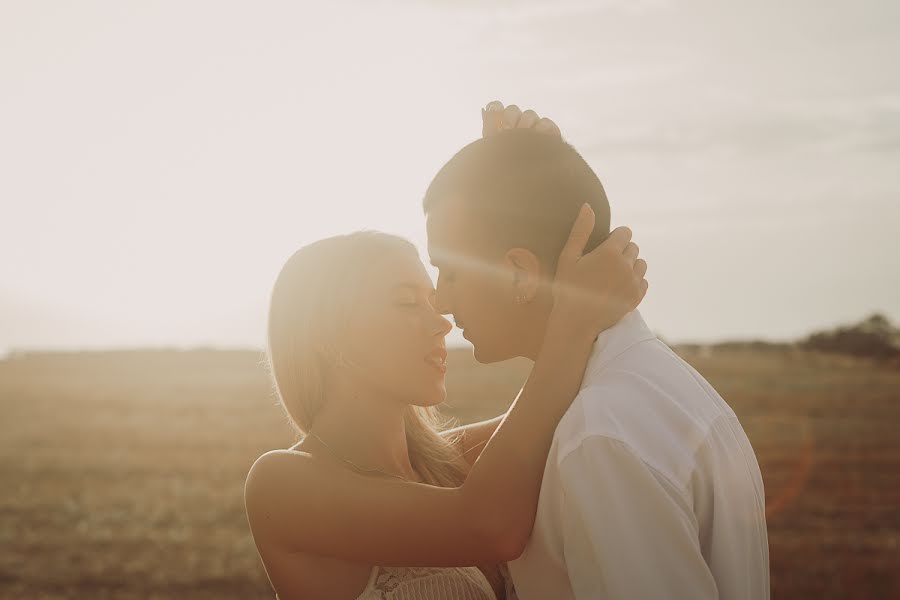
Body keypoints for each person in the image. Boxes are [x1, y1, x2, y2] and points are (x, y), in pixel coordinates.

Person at [243, 109, 648, 599]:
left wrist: (527, 179)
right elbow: (489, 526)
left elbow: (555, 403)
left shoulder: (448, 462)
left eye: (433, 297)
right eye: (407, 302)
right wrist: (573, 320)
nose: (441, 319)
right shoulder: (282, 486)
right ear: (327, 334)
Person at [423, 102, 770, 599]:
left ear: (520, 273)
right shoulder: (654, 387)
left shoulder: (601, 435)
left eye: (449, 271)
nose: (440, 298)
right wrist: (518, 166)